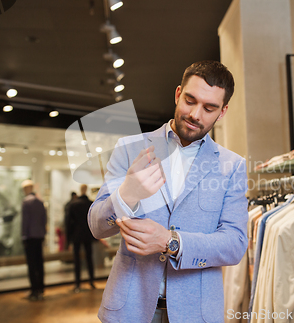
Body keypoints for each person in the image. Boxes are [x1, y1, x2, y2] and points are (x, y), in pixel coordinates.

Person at [88, 61, 248, 323]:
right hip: (129, 309)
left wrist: (170, 241)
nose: (196, 114)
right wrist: (126, 195)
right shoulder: (129, 148)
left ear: (222, 112)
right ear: (177, 94)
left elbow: (235, 243)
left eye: (209, 108)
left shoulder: (232, 166)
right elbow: (97, 226)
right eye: (190, 100)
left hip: (196, 314)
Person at [21, 179, 47, 301]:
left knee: (32, 265)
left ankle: (34, 290)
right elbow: (44, 220)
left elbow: (25, 222)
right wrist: (43, 233)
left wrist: (24, 236)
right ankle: (41, 288)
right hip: (39, 236)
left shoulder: (26, 202)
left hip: (30, 237)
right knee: (39, 263)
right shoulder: (40, 202)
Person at [67, 184, 95, 292]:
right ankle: (91, 281)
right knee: (89, 258)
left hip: (77, 235)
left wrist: (69, 238)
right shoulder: (90, 204)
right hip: (87, 234)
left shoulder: (74, 204)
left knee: (77, 259)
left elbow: (69, 222)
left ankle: (78, 283)